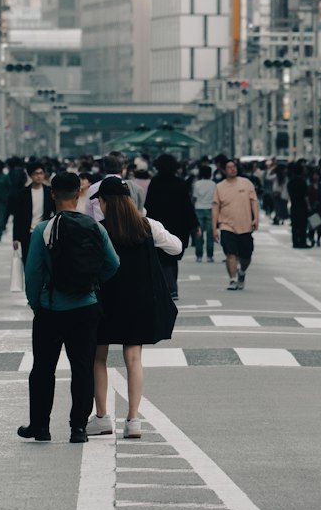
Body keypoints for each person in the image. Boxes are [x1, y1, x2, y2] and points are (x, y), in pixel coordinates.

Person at [19, 171, 119, 445]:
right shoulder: (95, 227)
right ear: (78, 194)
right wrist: (91, 282)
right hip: (86, 307)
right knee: (83, 367)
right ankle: (78, 428)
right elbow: (113, 264)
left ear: (53, 195)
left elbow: (33, 273)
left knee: (43, 369)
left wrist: (36, 303)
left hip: (51, 309)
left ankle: (40, 426)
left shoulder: (43, 230)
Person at [89, 176, 181, 440]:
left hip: (105, 300)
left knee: (99, 358)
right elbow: (176, 247)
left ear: (105, 202)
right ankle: (133, 420)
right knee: (133, 359)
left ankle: (103, 417)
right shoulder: (146, 226)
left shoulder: (99, 229)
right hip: (138, 300)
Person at [144, 153, 199, 299]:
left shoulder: (155, 182)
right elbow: (187, 206)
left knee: (161, 258)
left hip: (159, 226)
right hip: (178, 227)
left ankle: (166, 287)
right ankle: (172, 287)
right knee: (172, 258)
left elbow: (148, 206)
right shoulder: (179, 183)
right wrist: (195, 225)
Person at [211, 160, 259, 291]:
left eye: (234, 167)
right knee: (230, 254)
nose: (232, 169)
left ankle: (242, 272)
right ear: (224, 170)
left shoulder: (246, 183)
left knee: (246, 256)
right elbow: (215, 208)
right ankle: (232, 279)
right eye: (229, 167)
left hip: (245, 226)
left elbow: (254, 202)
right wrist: (214, 228)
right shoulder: (220, 187)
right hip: (227, 226)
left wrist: (256, 219)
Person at [9, 161, 54, 268]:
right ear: (30, 176)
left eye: (41, 173)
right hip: (27, 234)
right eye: (35, 174)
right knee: (28, 263)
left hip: (45, 233)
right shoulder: (23, 194)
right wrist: (16, 238)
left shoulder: (49, 192)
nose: (39, 176)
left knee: (45, 263)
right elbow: (18, 216)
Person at [191, 162, 217, 261]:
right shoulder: (213, 184)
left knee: (198, 232)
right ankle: (210, 256)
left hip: (198, 208)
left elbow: (194, 198)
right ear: (210, 174)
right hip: (210, 208)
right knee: (210, 233)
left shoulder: (197, 184)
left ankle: (199, 255)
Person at [287, 162, 310, 248]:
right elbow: (305, 195)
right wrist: (309, 206)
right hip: (302, 205)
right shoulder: (303, 181)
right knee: (302, 225)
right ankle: (302, 242)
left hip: (294, 205)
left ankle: (295, 242)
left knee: (295, 225)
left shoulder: (290, 181)